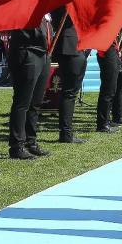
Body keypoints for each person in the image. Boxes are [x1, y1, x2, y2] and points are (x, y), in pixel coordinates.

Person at [8, 18, 53, 159]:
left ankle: (31, 141)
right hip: (27, 51)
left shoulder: (48, 14)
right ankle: (17, 145)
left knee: (36, 102)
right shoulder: (28, 3)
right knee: (23, 102)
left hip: (43, 53)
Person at [52, 8, 87, 144]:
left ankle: (66, 132)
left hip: (71, 46)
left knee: (69, 93)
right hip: (71, 47)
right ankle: (66, 133)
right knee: (69, 93)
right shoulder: (65, 2)